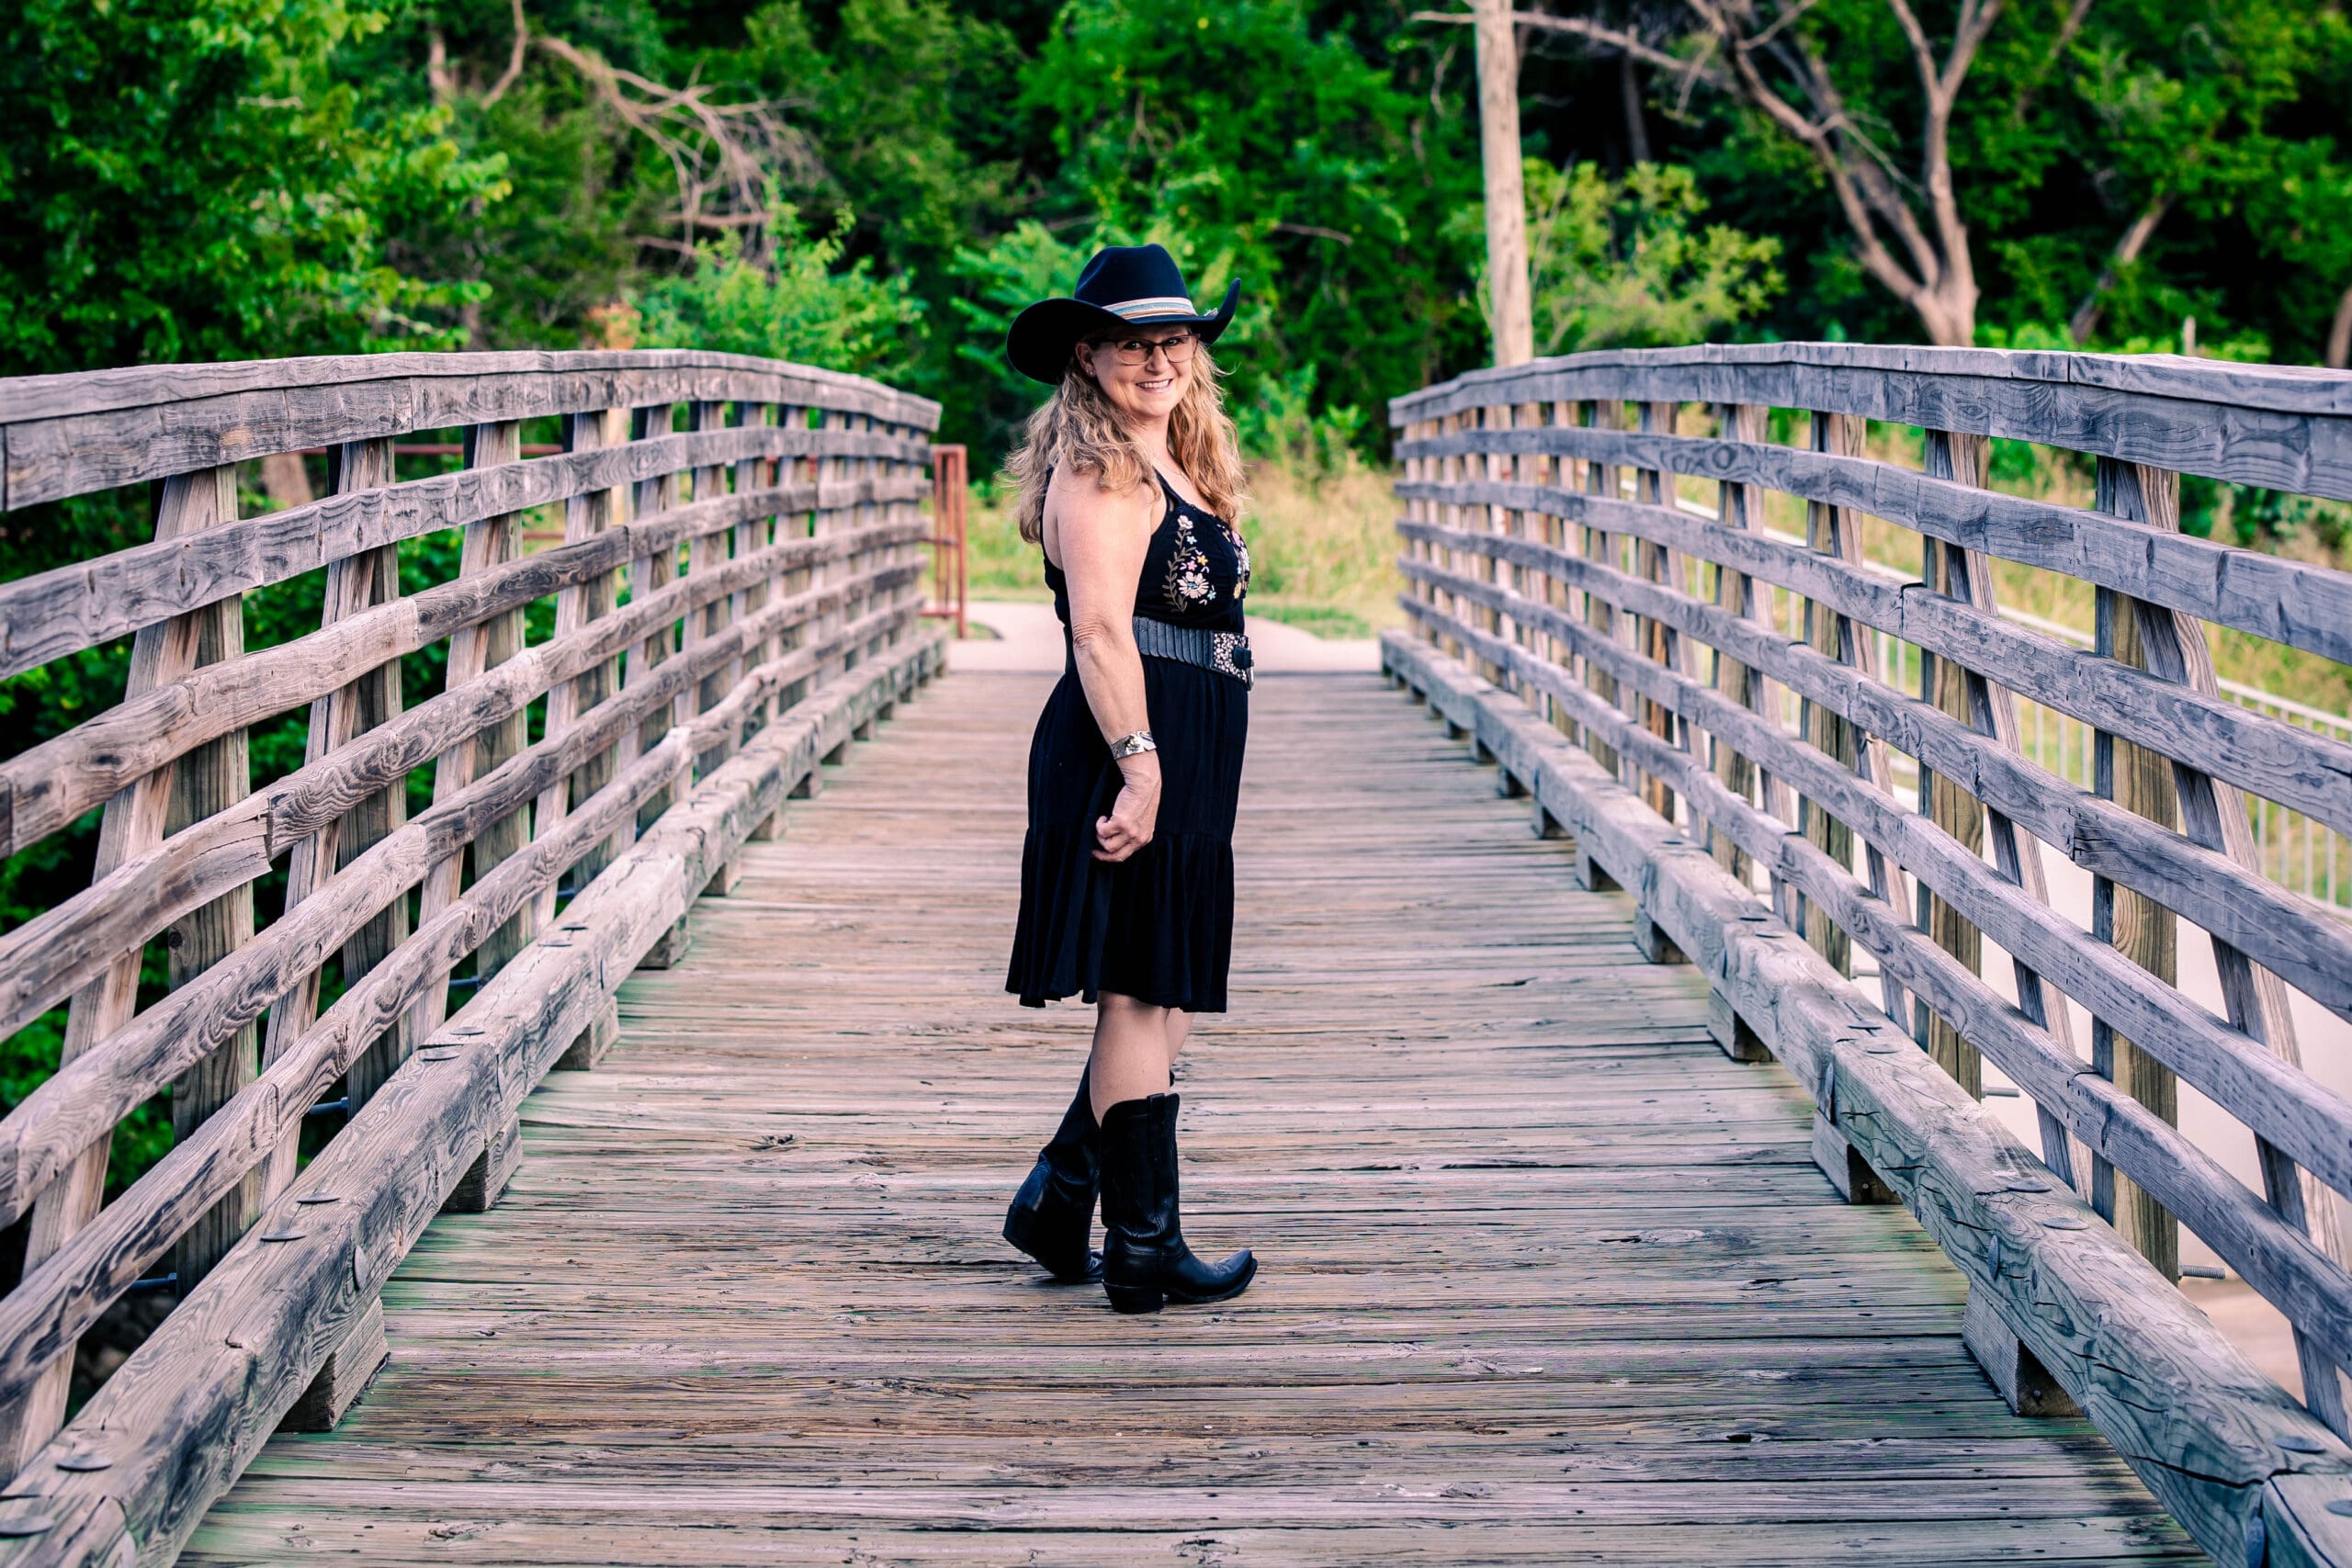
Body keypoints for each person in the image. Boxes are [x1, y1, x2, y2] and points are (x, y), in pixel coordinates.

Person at [997, 244, 1258, 1314]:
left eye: (1174, 340)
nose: (1158, 361)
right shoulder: (1100, 473)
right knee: (1142, 993)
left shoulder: (1175, 460)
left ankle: (1064, 1196)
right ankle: (1144, 1247)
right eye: (1132, 344)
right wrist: (1140, 771)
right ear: (1087, 358)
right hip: (1128, 745)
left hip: (1190, 751)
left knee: (1163, 990)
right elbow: (1101, 633)